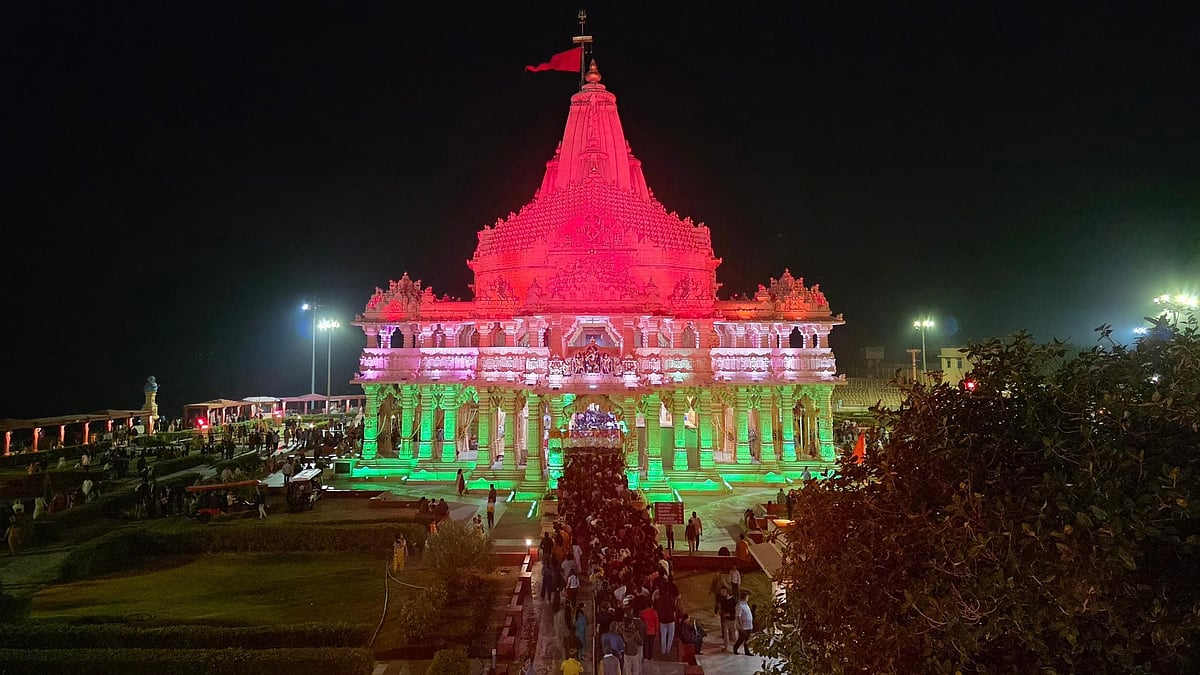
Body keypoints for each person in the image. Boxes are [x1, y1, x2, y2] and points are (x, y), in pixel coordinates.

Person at [733, 591, 754, 656]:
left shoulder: (746, 604)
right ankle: (735, 648)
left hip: (749, 625)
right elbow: (738, 616)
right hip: (744, 626)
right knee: (741, 638)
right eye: (747, 597)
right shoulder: (739, 605)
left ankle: (747, 651)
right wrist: (741, 626)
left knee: (748, 639)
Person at [717, 587, 737, 652]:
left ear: (728, 593)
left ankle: (736, 646)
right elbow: (721, 608)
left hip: (732, 619)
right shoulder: (723, 600)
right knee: (725, 633)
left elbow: (735, 611)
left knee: (733, 633)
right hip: (725, 619)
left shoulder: (733, 601)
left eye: (724, 592)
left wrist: (729, 614)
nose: (722, 593)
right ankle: (726, 646)